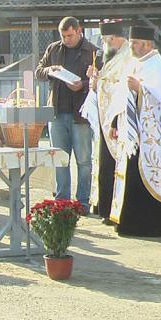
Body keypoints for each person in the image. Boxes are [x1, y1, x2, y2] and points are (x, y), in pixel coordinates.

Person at [109, 26, 161, 236]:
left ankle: (152, 225)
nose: (131, 46)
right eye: (131, 42)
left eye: (135, 43)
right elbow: (121, 96)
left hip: (153, 137)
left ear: (147, 44)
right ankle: (129, 223)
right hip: (132, 134)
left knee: (148, 176)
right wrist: (116, 123)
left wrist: (141, 89)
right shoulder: (133, 64)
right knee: (131, 176)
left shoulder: (159, 66)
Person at [35, 17, 102, 215]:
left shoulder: (92, 51)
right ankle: (62, 201)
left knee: (83, 160)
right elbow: (39, 71)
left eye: (70, 35)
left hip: (80, 114)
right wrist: (50, 70)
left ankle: (82, 202)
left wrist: (83, 82)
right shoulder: (54, 49)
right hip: (57, 112)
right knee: (59, 159)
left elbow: (100, 78)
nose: (66, 39)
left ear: (79, 31)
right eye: (63, 36)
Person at [85, 20, 134, 224]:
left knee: (115, 165)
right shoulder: (112, 55)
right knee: (105, 163)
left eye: (105, 40)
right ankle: (104, 207)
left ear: (113, 38)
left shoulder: (128, 56)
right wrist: (95, 80)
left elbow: (123, 87)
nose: (103, 44)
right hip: (106, 120)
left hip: (119, 121)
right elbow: (106, 81)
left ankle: (115, 211)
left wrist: (100, 83)